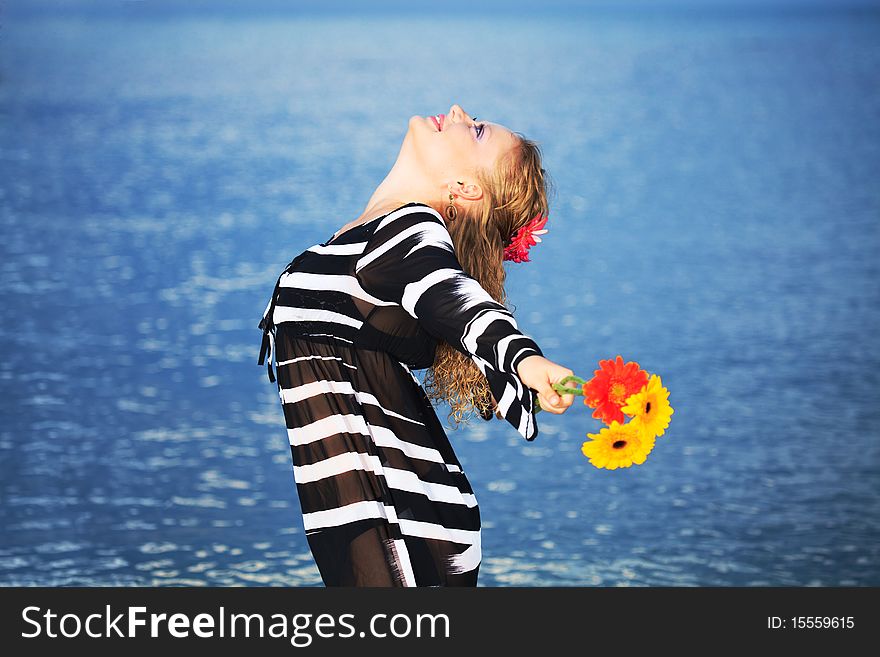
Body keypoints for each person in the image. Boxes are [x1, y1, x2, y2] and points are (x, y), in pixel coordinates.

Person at [258, 103, 576, 587]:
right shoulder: (370, 233)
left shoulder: (410, 229)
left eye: (475, 130)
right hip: (374, 511)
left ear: (465, 188)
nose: (457, 111)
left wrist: (523, 359)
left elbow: (454, 298)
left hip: (397, 519)